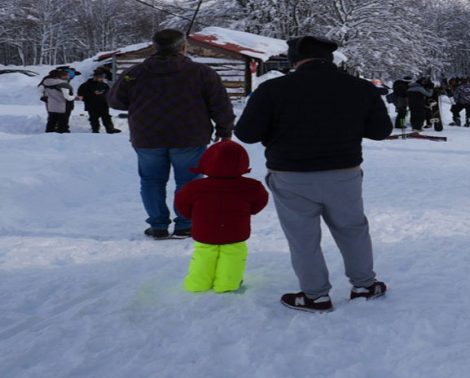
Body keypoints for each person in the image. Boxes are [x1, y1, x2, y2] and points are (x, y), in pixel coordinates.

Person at [234, 35, 392, 313]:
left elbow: (246, 133)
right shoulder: (360, 88)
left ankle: (316, 296)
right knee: (352, 229)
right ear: (330, 58)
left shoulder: (273, 89)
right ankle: (365, 285)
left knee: (302, 237)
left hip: (291, 174)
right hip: (344, 172)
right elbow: (381, 132)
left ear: (295, 60)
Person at [109, 29, 235, 240]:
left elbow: (115, 101)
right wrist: (225, 130)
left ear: (154, 46)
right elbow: (219, 103)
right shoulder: (201, 72)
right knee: (189, 182)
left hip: (147, 137)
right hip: (190, 136)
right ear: (183, 47)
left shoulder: (135, 73)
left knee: (151, 181)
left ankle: (158, 225)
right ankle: (185, 224)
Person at [174, 140, 268, 294]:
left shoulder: (194, 187)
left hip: (204, 230)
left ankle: (198, 283)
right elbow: (260, 202)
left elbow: (182, 204)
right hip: (236, 231)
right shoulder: (252, 186)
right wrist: (247, 212)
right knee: (233, 256)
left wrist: (194, 216)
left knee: (204, 255)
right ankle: (227, 284)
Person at [39, 69, 75, 133]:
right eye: (65, 75)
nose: (67, 76)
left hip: (51, 106)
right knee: (62, 123)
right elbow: (68, 97)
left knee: (51, 122)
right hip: (63, 106)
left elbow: (40, 92)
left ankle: (48, 135)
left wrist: (44, 97)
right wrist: (75, 97)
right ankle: (62, 136)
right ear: (59, 76)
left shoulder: (45, 82)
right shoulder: (63, 84)